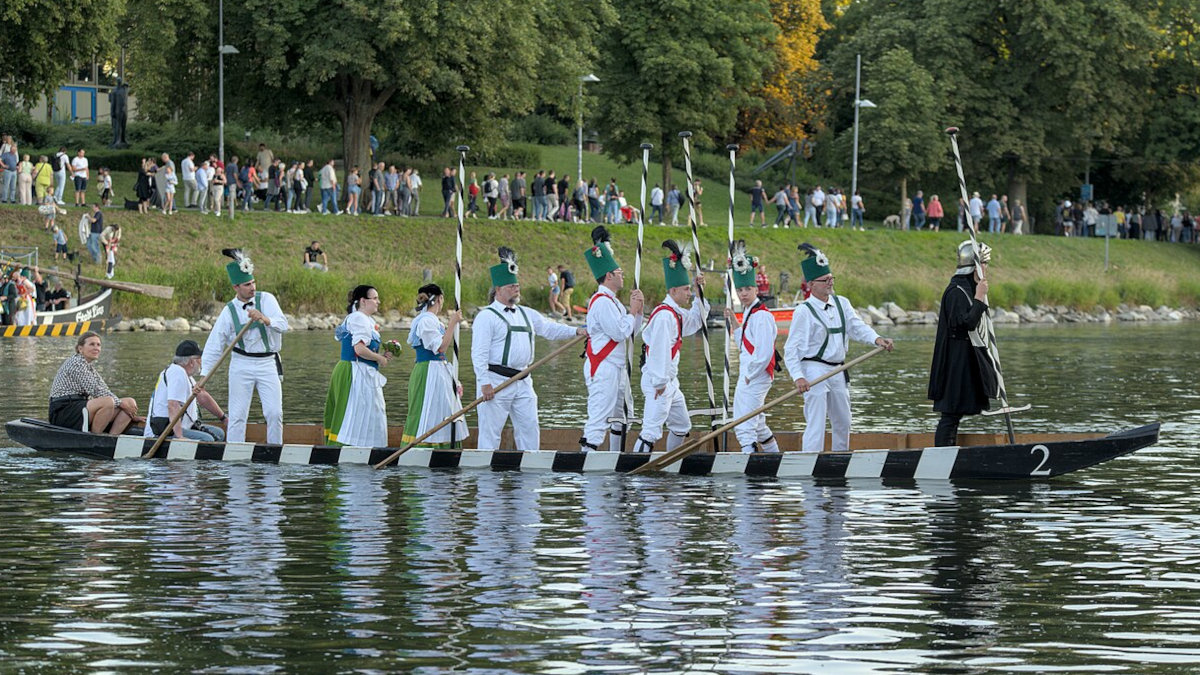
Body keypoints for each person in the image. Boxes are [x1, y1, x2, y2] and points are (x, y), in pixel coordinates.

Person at [471, 247, 585, 451]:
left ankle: (529, 475)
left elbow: (550, 329)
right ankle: (486, 478)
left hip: (524, 381)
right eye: (511, 286)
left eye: (517, 285)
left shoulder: (527, 313)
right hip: (496, 381)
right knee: (490, 433)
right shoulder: (486, 316)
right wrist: (484, 383)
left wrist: (575, 331)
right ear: (498, 289)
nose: (517, 289)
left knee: (529, 429)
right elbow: (478, 353)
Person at [784, 244, 894, 453]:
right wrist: (798, 377)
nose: (830, 283)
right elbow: (792, 349)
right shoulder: (803, 311)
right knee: (816, 423)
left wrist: (877, 339)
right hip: (813, 370)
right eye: (825, 280)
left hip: (838, 370)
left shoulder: (842, 303)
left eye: (831, 278)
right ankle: (810, 461)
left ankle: (840, 458)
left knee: (843, 420)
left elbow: (857, 327)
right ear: (811, 285)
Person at [200, 249, 290, 444]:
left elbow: (283, 325)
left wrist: (265, 319)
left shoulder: (267, 299)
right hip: (241, 364)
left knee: (274, 413)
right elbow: (215, 344)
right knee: (238, 416)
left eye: (253, 282)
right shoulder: (229, 310)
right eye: (247, 284)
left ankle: (275, 451)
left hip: (268, 363)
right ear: (236, 287)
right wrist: (204, 376)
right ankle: (235, 457)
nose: (253, 287)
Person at [633, 240, 709, 453]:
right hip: (660, 381)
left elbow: (695, 322)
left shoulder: (674, 312)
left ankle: (671, 459)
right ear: (673, 290)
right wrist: (659, 383)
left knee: (682, 425)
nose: (688, 294)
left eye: (689, 290)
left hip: (669, 382)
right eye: (686, 290)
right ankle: (635, 477)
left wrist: (699, 292)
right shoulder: (665, 316)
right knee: (651, 431)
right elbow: (658, 352)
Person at [579, 226, 645, 452]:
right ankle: (587, 459)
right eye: (619, 272)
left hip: (618, 367)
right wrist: (632, 312)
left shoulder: (615, 302)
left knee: (622, 415)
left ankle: (616, 456)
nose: (623, 275)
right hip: (604, 367)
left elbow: (632, 333)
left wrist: (638, 311)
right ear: (609, 276)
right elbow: (618, 332)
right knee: (599, 416)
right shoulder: (601, 302)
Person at [928, 241, 998, 447]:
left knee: (956, 414)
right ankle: (942, 455)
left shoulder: (967, 287)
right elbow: (964, 323)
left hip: (965, 359)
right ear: (975, 266)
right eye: (984, 264)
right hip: (955, 363)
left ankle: (950, 452)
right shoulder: (956, 291)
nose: (986, 269)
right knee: (950, 415)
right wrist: (979, 298)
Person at [724, 242, 780, 453]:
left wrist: (749, 374)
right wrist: (734, 322)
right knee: (757, 422)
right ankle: (774, 456)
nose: (743, 293)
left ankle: (750, 461)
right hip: (749, 371)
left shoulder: (762, 316)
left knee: (744, 421)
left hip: (756, 374)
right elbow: (744, 346)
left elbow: (764, 353)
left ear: (756, 289)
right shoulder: (748, 313)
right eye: (740, 289)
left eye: (748, 289)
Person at [323, 285, 390, 447]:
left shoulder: (366, 319)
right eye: (374, 298)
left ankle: (365, 447)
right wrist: (380, 359)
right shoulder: (358, 318)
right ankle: (353, 449)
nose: (378, 302)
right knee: (357, 412)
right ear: (362, 301)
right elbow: (359, 349)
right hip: (355, 371)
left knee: (369, 411)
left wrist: (382, 355)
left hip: (361, 370)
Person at [403, 283, 467, 448]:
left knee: (444, 410)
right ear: (439, 299)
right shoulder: (426, 321)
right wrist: (452, 323)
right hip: (428, 370)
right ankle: (421, 448)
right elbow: (440, 347)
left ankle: (444, 447)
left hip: (438, 369)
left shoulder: (432, 321)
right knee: (426, 409)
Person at [48, 331, 139, 434]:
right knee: (108, 401)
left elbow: (104, 389)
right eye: (92, 344)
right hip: (63, 411)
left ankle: (111, 439)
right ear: (80, 348)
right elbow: (96, 391)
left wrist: (130, 413)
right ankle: (95, 438)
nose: (96, 348)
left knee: (130, 402)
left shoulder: (88, 366)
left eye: (98, 345)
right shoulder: (76, 363)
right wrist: (121, 404)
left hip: (80, 406)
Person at [144, 340, 228, 442]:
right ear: (191, 362)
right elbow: (173, 405)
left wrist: (223, 418)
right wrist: (179, 437)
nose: (201, 362)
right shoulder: (177, 372)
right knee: (207, 439)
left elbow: (203, 397)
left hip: (185, 426)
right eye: (199, 359)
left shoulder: (187, 376)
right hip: (167, 430)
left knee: (219, 433)